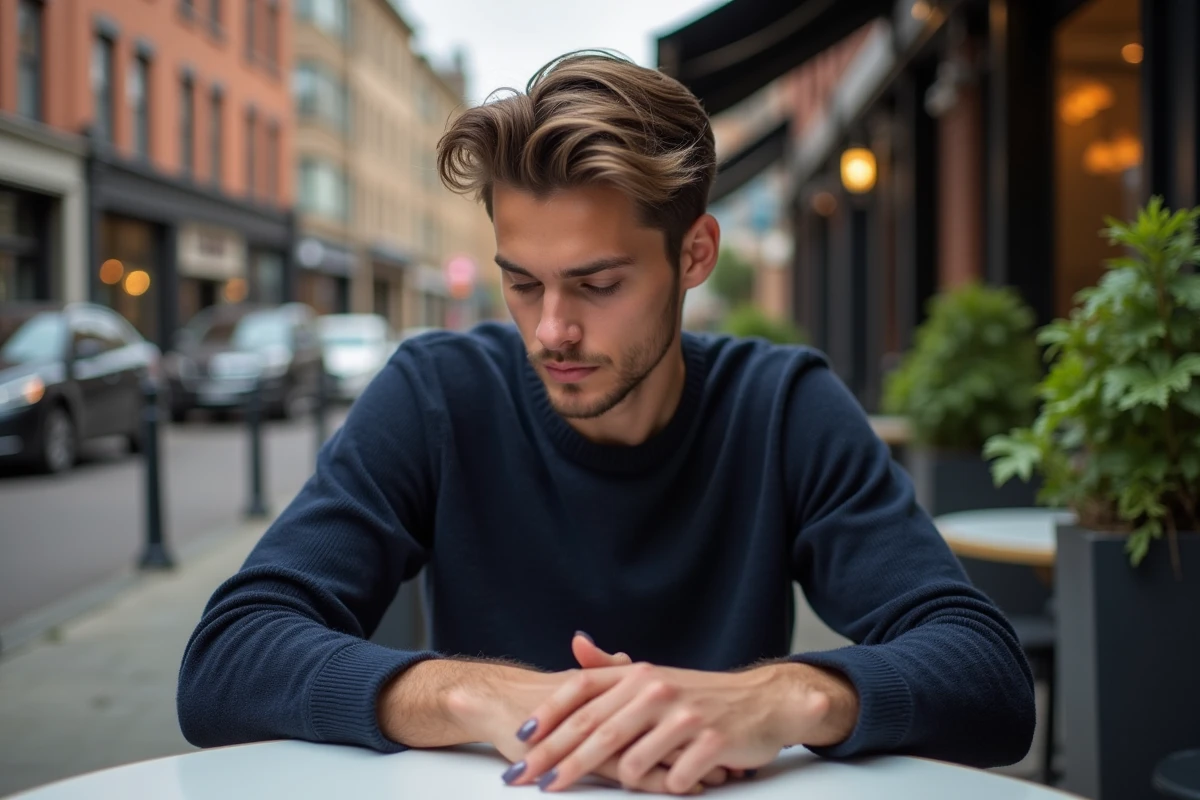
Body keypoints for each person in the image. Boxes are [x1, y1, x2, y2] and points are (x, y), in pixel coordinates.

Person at [177, 52, 1035, 795]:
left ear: (694, 254)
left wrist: (777, 700)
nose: (552, 330)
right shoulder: (438, 395)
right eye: (523, 283)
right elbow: (228, 658)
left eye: (597, 284)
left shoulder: (780, 407)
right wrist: (480, 699)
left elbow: (989, 681)